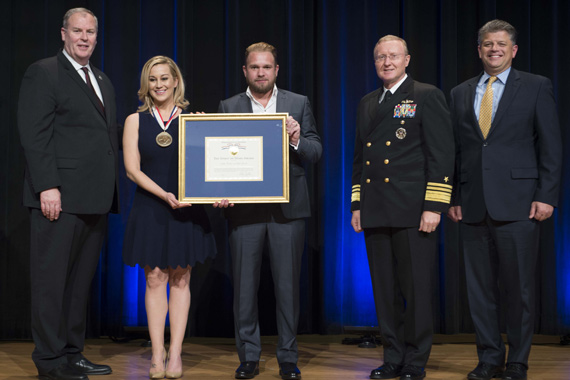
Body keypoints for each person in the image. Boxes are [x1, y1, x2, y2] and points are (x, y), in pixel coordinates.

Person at [448, 20, 562, 380]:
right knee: (480, 291)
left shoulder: (536, 86)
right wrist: (452, 196)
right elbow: (455, 150)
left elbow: (551, 147)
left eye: (500, 44)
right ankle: (489, 358)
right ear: (478, 50)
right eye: (486, 44)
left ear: (512, 50)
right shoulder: (460, 92)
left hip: (520, 203)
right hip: (472, 204)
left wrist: (547, 196)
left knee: (519, 290)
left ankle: (517, 361)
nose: (493, 49)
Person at [17, 7, 118, 380]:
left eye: (90, 31)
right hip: (58, 198)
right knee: (51, 283)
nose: (84, 37)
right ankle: (49, 361)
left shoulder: (102, 79)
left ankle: (73, 353)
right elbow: (34, 135)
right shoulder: (43, 73)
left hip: (94, 199)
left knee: (78, 286)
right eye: (77, 30)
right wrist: (47, 186)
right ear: (63, 33)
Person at [350, 35, 454, 380]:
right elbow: (360, 160)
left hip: (413, 211)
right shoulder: (368, 102)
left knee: (416, 291)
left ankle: (415, 361)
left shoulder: (426, 95)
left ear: (407, 59)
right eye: (380, 57)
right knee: (384, 292)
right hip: (376, 209)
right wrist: (357, 205)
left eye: (393, 56)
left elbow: (441, 154)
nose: (387, 62)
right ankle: (392, 356)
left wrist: (435, 206)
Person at [216, 42, 322, 380]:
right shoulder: (229, 106)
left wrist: (294, 139)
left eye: (267, 67)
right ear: (245, 71)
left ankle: (288, 358)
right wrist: (219, 191)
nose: (261, 72)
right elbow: (218, 158)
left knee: (288, 288)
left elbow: (316, 150)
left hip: (288, 211)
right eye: (254, 67)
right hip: (244, 212)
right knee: (244, 288)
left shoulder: (298, 104)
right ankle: (248, 356)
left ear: (276, 70)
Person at [122, 56, 220, 379]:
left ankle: (175, 353)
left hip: (188, 210)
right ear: (145, 84)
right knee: (154, 279)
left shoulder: (194, 119)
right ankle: (157, 352)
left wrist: (207, 133)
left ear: (176, 81)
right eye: (153, 80)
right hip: (152, 207)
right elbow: (132, 170)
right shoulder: (134, 121)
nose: (159, 85)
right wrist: (163, 194)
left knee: (181, 278)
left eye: (165, 78)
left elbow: (210, 166)